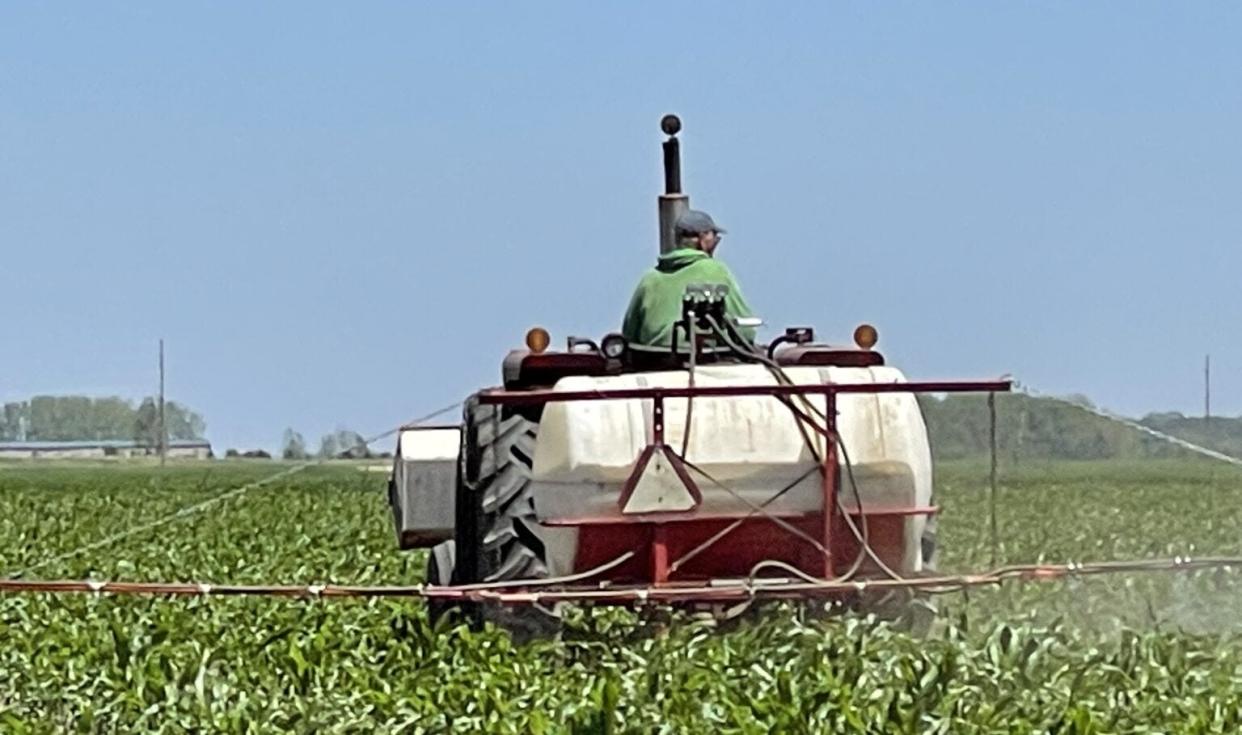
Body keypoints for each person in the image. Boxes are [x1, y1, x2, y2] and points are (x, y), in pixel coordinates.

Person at [621, 209, 756, 351]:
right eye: (714, 235)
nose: (717, 241)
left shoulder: (650, 278)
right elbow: (745, 330)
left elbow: (629, 333)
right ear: (702, 238)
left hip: (654, 362)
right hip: (707, 360)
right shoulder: (716, 271)